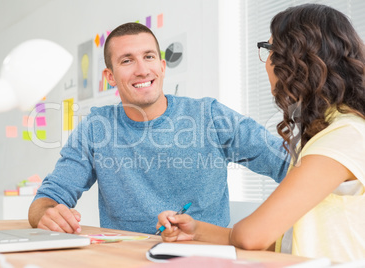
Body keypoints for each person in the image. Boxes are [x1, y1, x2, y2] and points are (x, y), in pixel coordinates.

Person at [28, 22, 289, 235]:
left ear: (162, 67)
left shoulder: (209, 116)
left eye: (149, 57)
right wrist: (47, 215)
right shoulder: (96, 128)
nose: (142, 70)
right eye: (127, 61)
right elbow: (47, 199)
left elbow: (289, 163)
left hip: (204, 259)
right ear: (110, 77)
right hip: (125, 261)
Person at [156, 4, 365, 262]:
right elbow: (277, 240)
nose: (267, 62)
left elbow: (253, 235)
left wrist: (245, 232)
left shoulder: (346, 135)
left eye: (271, 50)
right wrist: (196, 231)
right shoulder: (327, 133)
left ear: (299, 61)